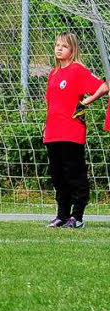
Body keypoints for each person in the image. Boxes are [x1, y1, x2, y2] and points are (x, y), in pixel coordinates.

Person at [43, 32, 109, 228]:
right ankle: (61, 214)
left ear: (72, 50)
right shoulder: (53, 73)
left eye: (64, 46)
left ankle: (77, 216)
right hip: (53, 132)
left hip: (71, 132)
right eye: (57, 45)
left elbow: (104, 87)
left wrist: (85, 102)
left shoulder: (78, 70)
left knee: (75, 174)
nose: (59, 48)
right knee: (58, 176)